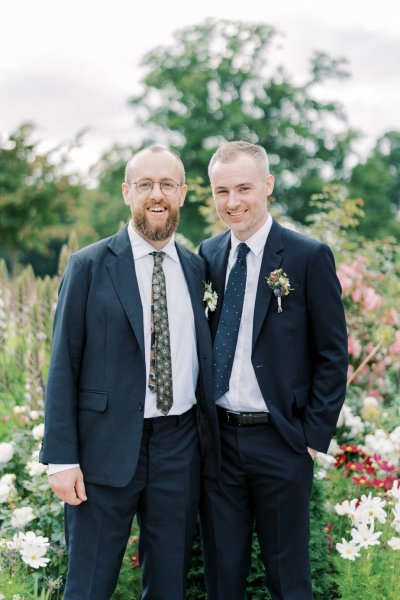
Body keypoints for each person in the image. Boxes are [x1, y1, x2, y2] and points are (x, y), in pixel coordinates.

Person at [39, 145, 219, 600]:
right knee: (89, 583)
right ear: (126, 193)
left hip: (179, 448)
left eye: (166, 185)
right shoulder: (88, 266)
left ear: (181, 193)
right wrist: (61, 459)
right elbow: (63, 364)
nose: (155, 195)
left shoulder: (198, 268)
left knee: (168, 585)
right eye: (145, 185)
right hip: (104, 449)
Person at [199, 141, 348, 600]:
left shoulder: (306, 257)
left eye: (243, 188)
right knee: (222, 578)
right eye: (222, 191)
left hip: (282, 441)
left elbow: (332, 354)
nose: (233, 202)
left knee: (289, 578)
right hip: (219, 444)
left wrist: (310, 437)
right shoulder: (206, 255)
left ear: (267, 185)